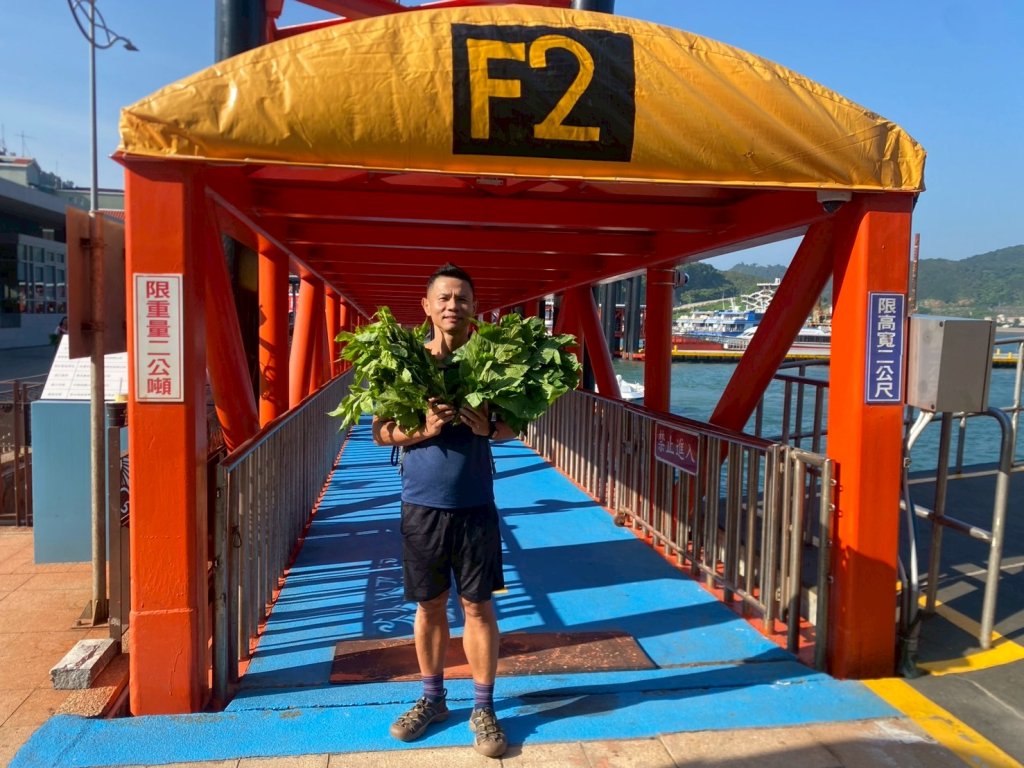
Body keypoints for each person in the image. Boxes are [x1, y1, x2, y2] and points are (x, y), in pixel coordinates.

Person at [372, 263, 516, 759]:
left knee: (478, 606)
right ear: (427, 307)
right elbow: (380, 432)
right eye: (445, 298)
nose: (453, 306)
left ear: (475, 308)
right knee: (429, 605)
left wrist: (488, 429)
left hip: (476, 504)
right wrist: (424, 430)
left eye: (463, 299)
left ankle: (483, 708)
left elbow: (514, 425)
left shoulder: (492, 361)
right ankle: (432, 699)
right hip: (422, 505)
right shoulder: (404, 361)